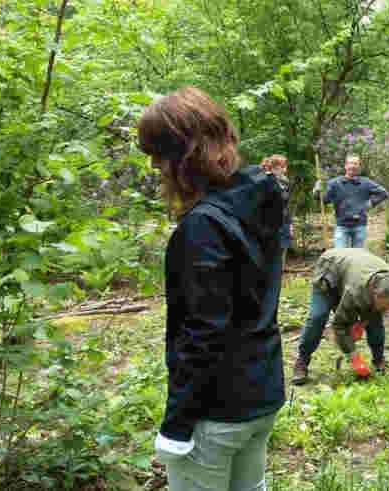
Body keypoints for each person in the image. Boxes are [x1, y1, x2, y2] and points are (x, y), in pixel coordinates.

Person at [139, 88, 286, 491]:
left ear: (182, 158)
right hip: (263, 393)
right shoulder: (260, 198)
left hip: (217, 411)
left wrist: (176, 425)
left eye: (157, 155)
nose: (154, 166)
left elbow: (204, 332)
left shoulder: (203, 227)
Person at [291, 248, 389, 385]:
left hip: (353, 266)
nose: (387, 311)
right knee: (318, 317)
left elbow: (375, 310)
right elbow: (339, 325)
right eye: (384, 306)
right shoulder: (356, 291)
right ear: (375, 294)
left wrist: (363, 322)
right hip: (330, 268)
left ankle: (379, 360)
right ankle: (302, 361)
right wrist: (354, 357)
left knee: (376, 321)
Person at [313, 155, 388, 248]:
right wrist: (317, 191)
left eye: (355, 164)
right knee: (340, 256)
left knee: (357, 258)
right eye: (350, 163)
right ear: (345, 166)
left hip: (359, 226)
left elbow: (383, 193)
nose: (353, 166)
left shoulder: (365, 183)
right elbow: (324, 200)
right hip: (341, 226)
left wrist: (370, 204)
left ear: (359, 166)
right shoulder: (335, 183)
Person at [261, 154, 292, 260]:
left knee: (283, 249)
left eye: (285, 167)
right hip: (269, 225)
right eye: (282, 167)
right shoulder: (264, 181)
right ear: (273, 167)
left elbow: (286, 205)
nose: (284, 170)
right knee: (270, 253)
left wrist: (290, 223)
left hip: (283, 222)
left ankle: (280, 273)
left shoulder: (285, 182)